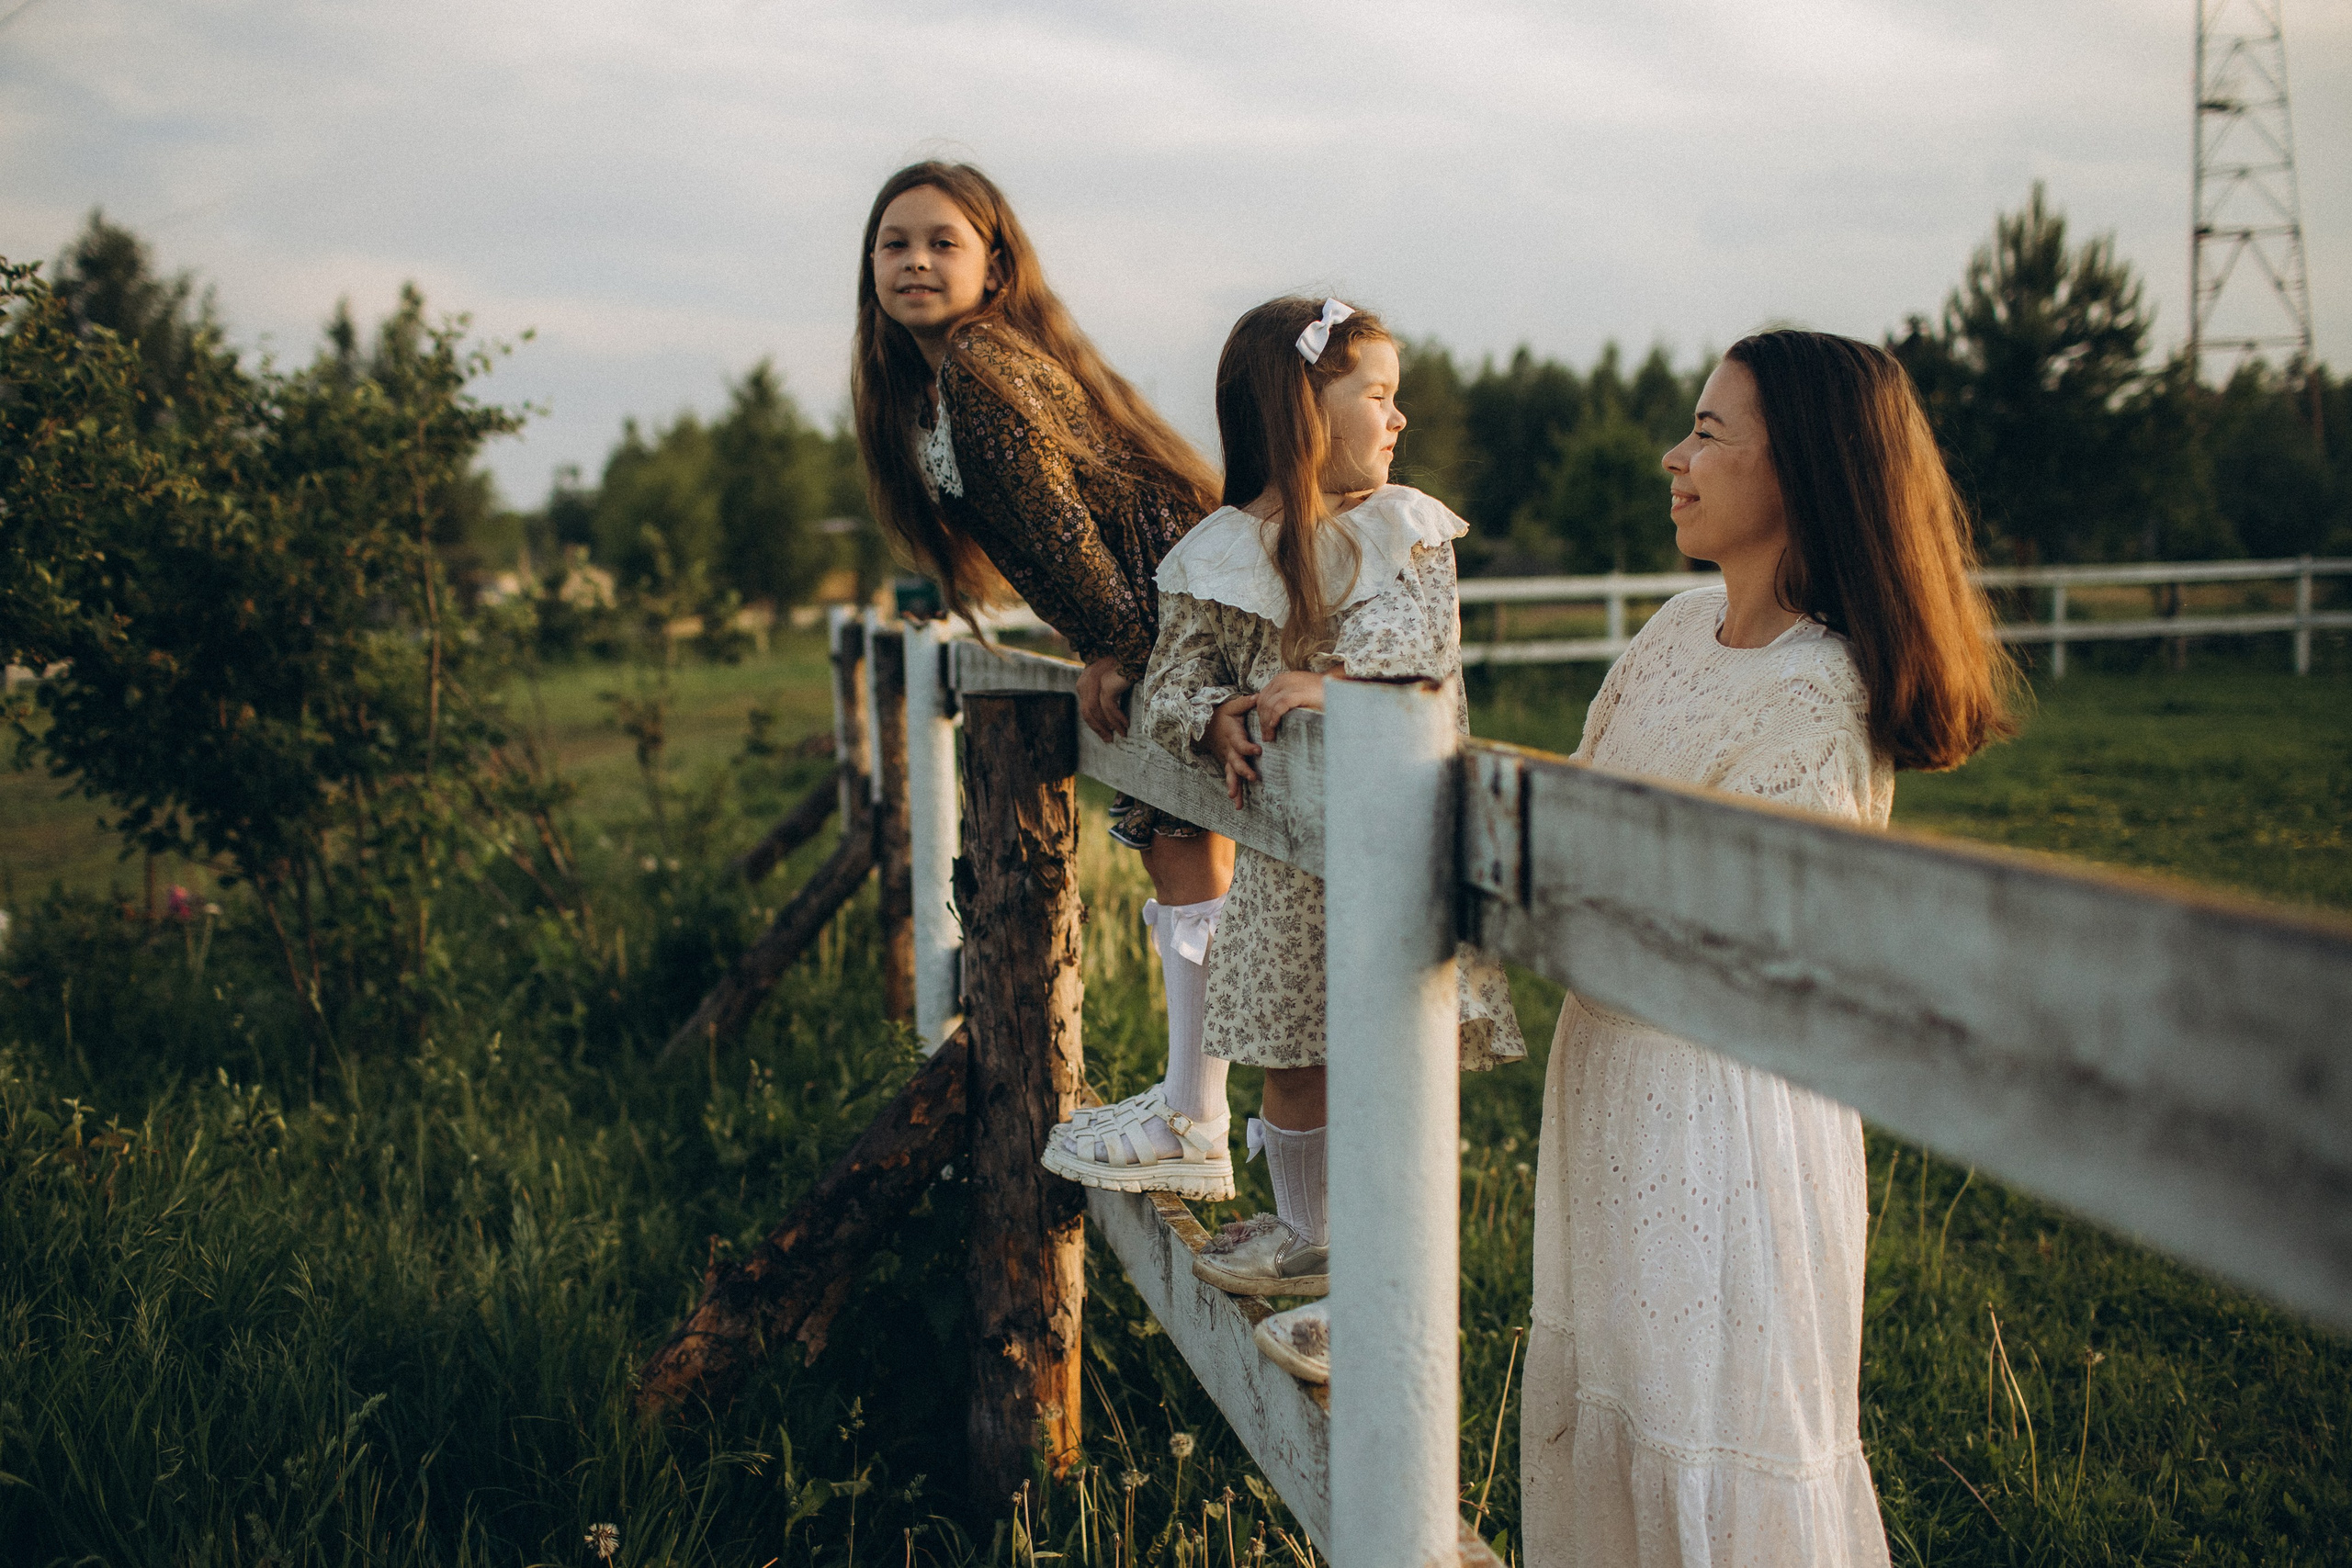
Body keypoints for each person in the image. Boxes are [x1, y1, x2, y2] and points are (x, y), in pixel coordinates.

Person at [1522, 330, 2018, 1566]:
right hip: (1610, 1085)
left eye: (1708, 432)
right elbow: (1567, 815)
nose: (1672, 456)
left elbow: (1709, 941)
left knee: (1706, 1435)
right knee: (1622, 1423)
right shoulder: (1678, 628)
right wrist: (1378, 705)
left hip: (1718, 1119)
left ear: (1799, 468)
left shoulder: (1821, 695)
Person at [1111, 296, 1525, 1382]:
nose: (1398, 419)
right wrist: (1211, 712)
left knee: (1387, 1063)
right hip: (1288, 865)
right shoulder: (1217, 553)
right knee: (1290, 1059)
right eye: (1377, 396)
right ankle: (1309, 1235)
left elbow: (1411, 651)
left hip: (1390, 853)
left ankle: (1380, 1286)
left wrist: (1321, 681)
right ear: (1302, 409)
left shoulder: (1405, 532)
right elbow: (1171, 678)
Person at [854, 162, 1238, 1198]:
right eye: (896, 244)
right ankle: (1192, 1108)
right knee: (1181, 848)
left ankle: (1198, 1119)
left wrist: (1113, 642)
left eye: (943, 242)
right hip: (1158, 605)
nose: (917, 262)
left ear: (993, 263)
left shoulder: (981, 368)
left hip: (1174, 609)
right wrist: (1104, 642)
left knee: (1187, 849)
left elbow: (1067, 536)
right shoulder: (948, 377)